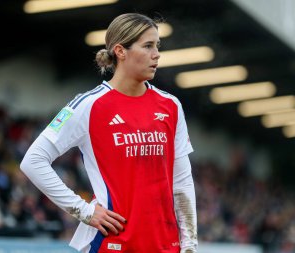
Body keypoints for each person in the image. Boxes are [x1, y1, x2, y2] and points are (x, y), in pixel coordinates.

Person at [20, 13, 197, 253]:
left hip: (165, 246)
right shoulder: (88, 105)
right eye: (147, 46)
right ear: (120, 51)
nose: (157, 54)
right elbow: (33, 161)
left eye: (157, 46)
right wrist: (84, 211)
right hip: (111, 244)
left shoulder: (171, 105)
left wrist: (189, 246)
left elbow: (182, 182)